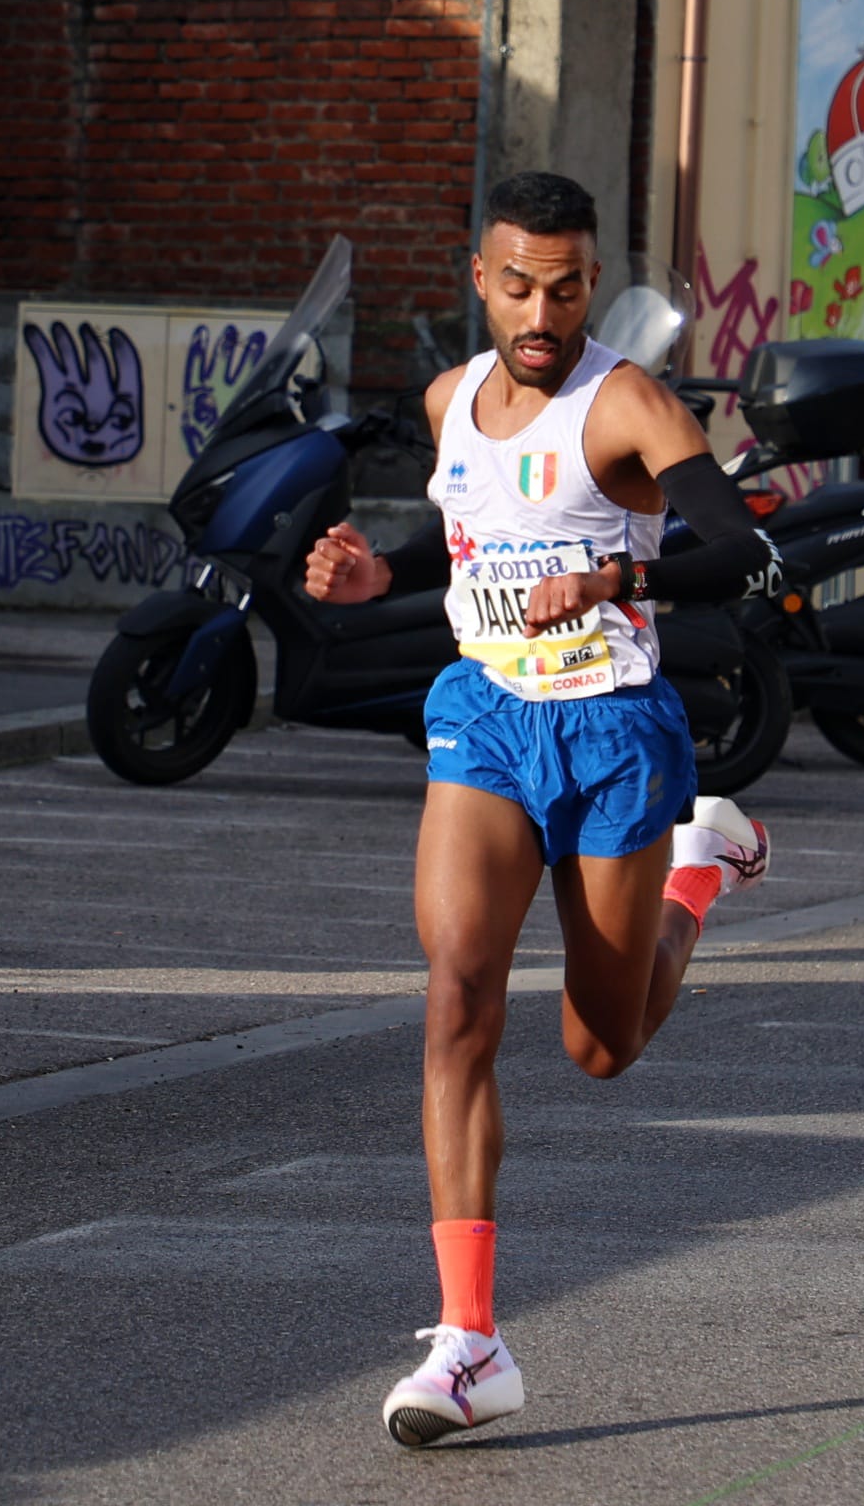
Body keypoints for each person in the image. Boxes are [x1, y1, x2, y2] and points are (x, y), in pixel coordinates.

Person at [304, 171, 779, 1448]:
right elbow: (460, 537)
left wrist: (619, 570)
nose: (542, 309)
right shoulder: (451, 398)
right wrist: (371, 574)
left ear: (587, 284)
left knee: (600, 1046)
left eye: (566, 286)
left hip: (613, 727)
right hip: (487, 716)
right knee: (458, 989)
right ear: (480, 274)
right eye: (518, 283)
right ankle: (470, 1343)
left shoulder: (624, 400)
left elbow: (742, 549)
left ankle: (700, 869)